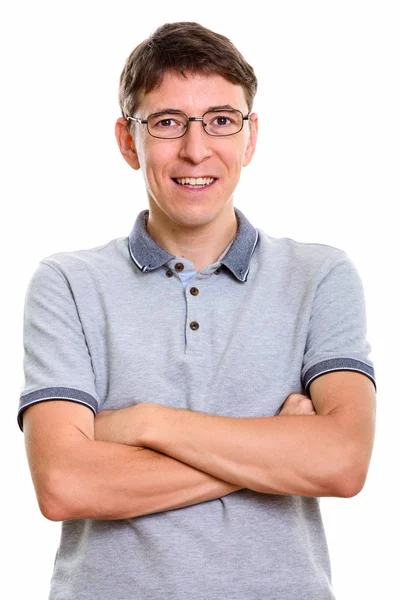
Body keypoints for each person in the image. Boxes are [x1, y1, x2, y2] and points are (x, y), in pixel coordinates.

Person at [18, 21, 377, 600]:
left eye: (220, 120)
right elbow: (64, 483)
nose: (195, 148)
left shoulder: (321, 276)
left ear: (250, 136)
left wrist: (145, 424)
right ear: (126, 140)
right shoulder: (68, 283)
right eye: (166, 123)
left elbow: (341, 463)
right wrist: (277, 451)